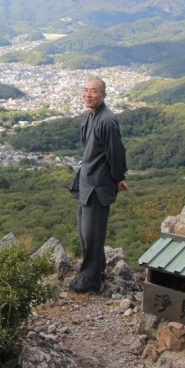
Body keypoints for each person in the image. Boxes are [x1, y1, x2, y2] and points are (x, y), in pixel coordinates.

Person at [71, 78, 128, 293]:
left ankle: (91, 280)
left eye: (94, 91)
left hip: (98, 186)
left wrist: (118, 178)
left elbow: (116, 153)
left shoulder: (107, 120)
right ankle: (96, 268)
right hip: (87, 184)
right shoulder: (91, 117)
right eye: (85, 90)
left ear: (103, 95)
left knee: (93, 234)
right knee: (85, 232)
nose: (88, 95)